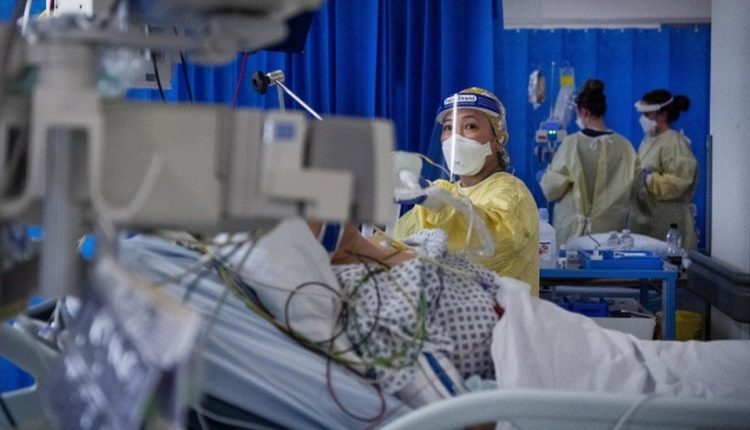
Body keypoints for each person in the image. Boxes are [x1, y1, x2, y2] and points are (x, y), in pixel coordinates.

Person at [392, 87, 540, 296]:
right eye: (448, 127)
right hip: (451, 312)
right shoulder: (443, 192)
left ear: (497, 140)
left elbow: (487, 242)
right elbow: (398, 242)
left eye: (470, 126)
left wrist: (436, 202)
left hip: (499, 313)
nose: (455, 138)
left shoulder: (512, 193)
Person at [539, 79, 640, 246]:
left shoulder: (572, 144)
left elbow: (551, 190)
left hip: (574, 233)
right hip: (611, 232)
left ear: (583, 111)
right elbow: (635, 188)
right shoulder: (625, 147)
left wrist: (546, 176)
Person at [630, 89, 698, 250]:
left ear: (663, 115)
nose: (643, 119)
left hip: (668, 222)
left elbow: (679, 183)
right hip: (648, 218)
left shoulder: (674, 142)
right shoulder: (649, 139)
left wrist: (648, 179)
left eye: (647, 114)